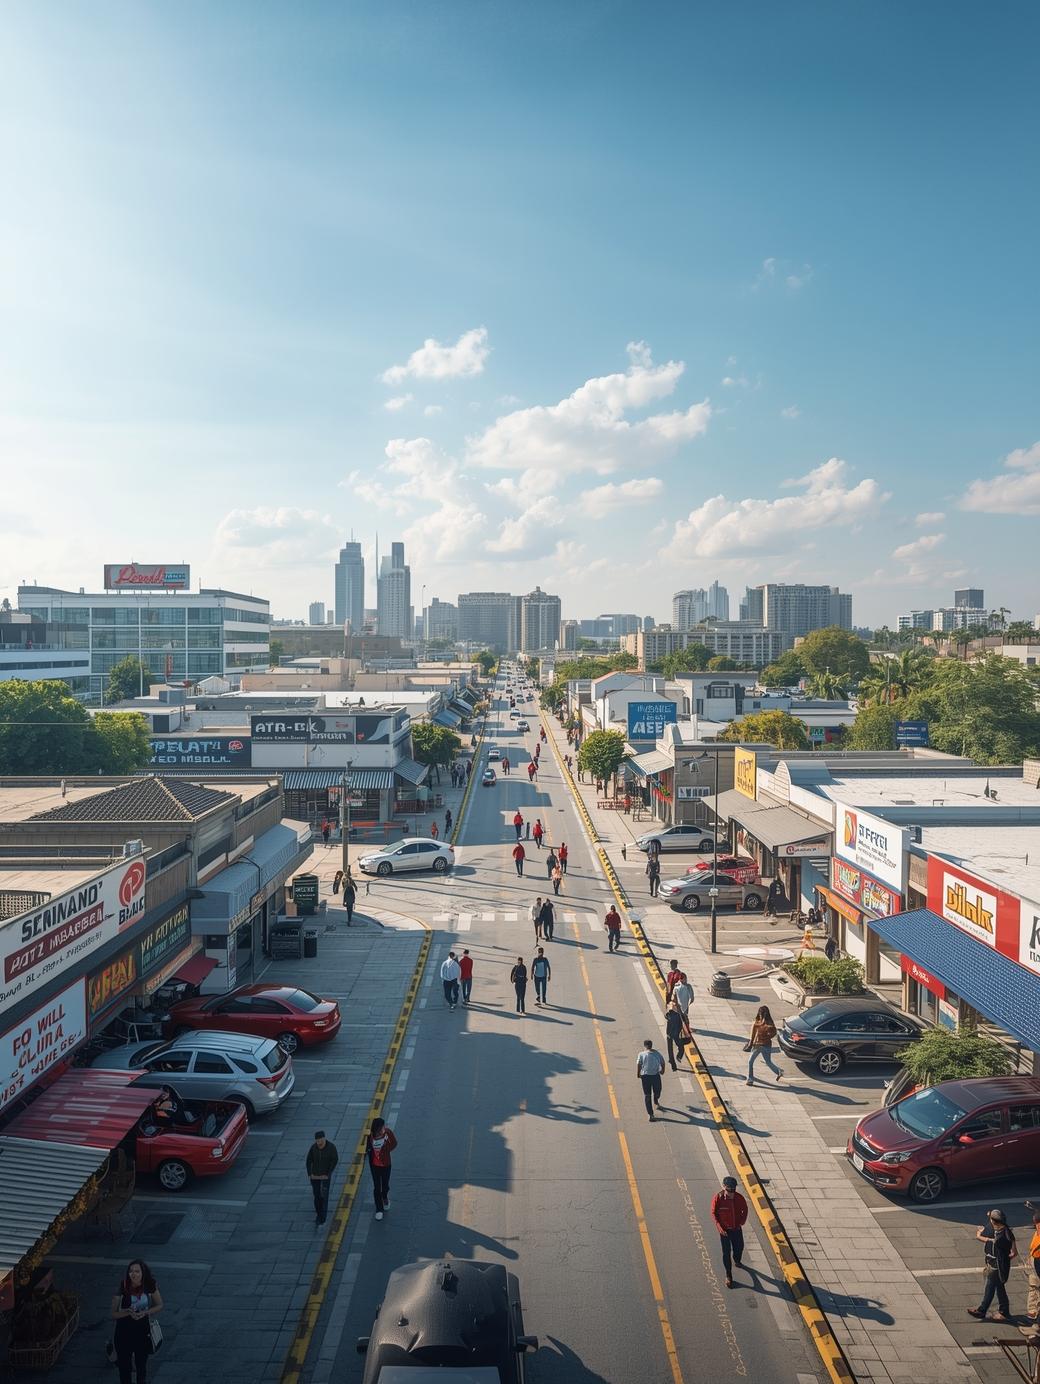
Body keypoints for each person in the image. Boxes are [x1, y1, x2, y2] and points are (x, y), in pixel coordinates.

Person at [111, 1259, 163, 1384]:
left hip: (142, 1331)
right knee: (124, 1370)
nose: (133, 1274)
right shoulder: (123, 1286)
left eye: (137, 1271)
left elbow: (159, 1304)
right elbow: (113, 1313)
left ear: (143, 1273)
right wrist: (128, 1312)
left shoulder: (150, 1285)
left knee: (141, 1368)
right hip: (124, 1332)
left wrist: (145, 1312)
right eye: (131, 1271)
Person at [969, 1209, 1016, 1322]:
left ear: (994, 1222)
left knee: (990, 1287)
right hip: (1002, 1265)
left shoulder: (998, 1239)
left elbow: (982, 1238)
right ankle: (1004, 1311)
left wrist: (979, 1233)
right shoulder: (1007, 1231)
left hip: (996, 1266)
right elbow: (1014, 1252)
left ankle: (982, 1310)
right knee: (999, 1287)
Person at [711, 1177, 749, 1288]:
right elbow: (713, 1213)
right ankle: (728, 1275)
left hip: (736, 1229)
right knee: (726, 1253)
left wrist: (742, 1221)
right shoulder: (718, 1198)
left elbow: (745, 1209)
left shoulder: (739, 1198)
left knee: (739, 1247)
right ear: (724, 1187)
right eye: (729, 1190)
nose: (732, 1193)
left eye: (733, 1190)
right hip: (724, 1231)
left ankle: (737, 1260)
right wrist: (719, 1227)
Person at [366, 1117, 397, 1220]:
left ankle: (384, 1197)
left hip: (386, 1165)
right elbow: (368, 1149)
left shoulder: (388, 1134)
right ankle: (379, 1209)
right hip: (374, 1167)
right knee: (376, 1187)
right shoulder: (370, 1137)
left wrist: (386, 1149)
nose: (384, 1128)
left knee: (385, 1186)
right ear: (377, 1129)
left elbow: (394, 1144)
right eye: (382, 1126)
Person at [306, 1130, 339, 1226]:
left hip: (325, 1177)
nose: (318, 1143)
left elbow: (335, 1160)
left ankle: (323, 1217)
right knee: (317, 1196)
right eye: (317, 1141)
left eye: (320, 1141)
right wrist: (310, 1174)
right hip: (315, 1176)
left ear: (324, 1139)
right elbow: (308, 1161)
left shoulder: (331, 1148)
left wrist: (329, 1173)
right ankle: (318, 1214)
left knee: (324, 1196)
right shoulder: (313, 1148)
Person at [746, 1005, 783, 1084]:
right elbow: (773, 1033)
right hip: (766, 1045)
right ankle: (779, 1071)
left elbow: (753, 1035)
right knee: (768, 1062)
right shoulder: (770, 1023)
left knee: (750, 1061)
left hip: (758, 1045)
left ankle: (750, 1079)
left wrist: (750, 1043)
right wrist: (767, 1036)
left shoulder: (757, 1023)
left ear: (760, 1013)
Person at [637, 1038, 666, 1121]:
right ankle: (650, 1114)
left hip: (653, 1075)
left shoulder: (656, 1053)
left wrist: (662, 1071)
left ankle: (656, 1100)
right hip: (647, 1076)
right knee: (648, 1095)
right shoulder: (642, 1054)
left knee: (657, 1091)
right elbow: (639, 1064)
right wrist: (639, 1074)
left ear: (645, 1046)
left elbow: (662, 1062)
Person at [665, 1000, 691, 1071]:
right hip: (677, 1034)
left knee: (670, 1049)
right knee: (680, 1046)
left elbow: (667, 1018)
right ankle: (679, 1056)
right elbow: (683, 1023)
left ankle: (672, 1062)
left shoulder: (669, 1015)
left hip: (670, 1034)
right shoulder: (679, 1015)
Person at [1026, 1206, 1040, 1323]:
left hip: (1036, 1261)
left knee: (1035, 1286)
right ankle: (1032, 1310)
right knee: (1033, 1285)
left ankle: (1034, 1311)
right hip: (1034, 1260)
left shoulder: (1038, 1232)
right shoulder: (1037, 1232)